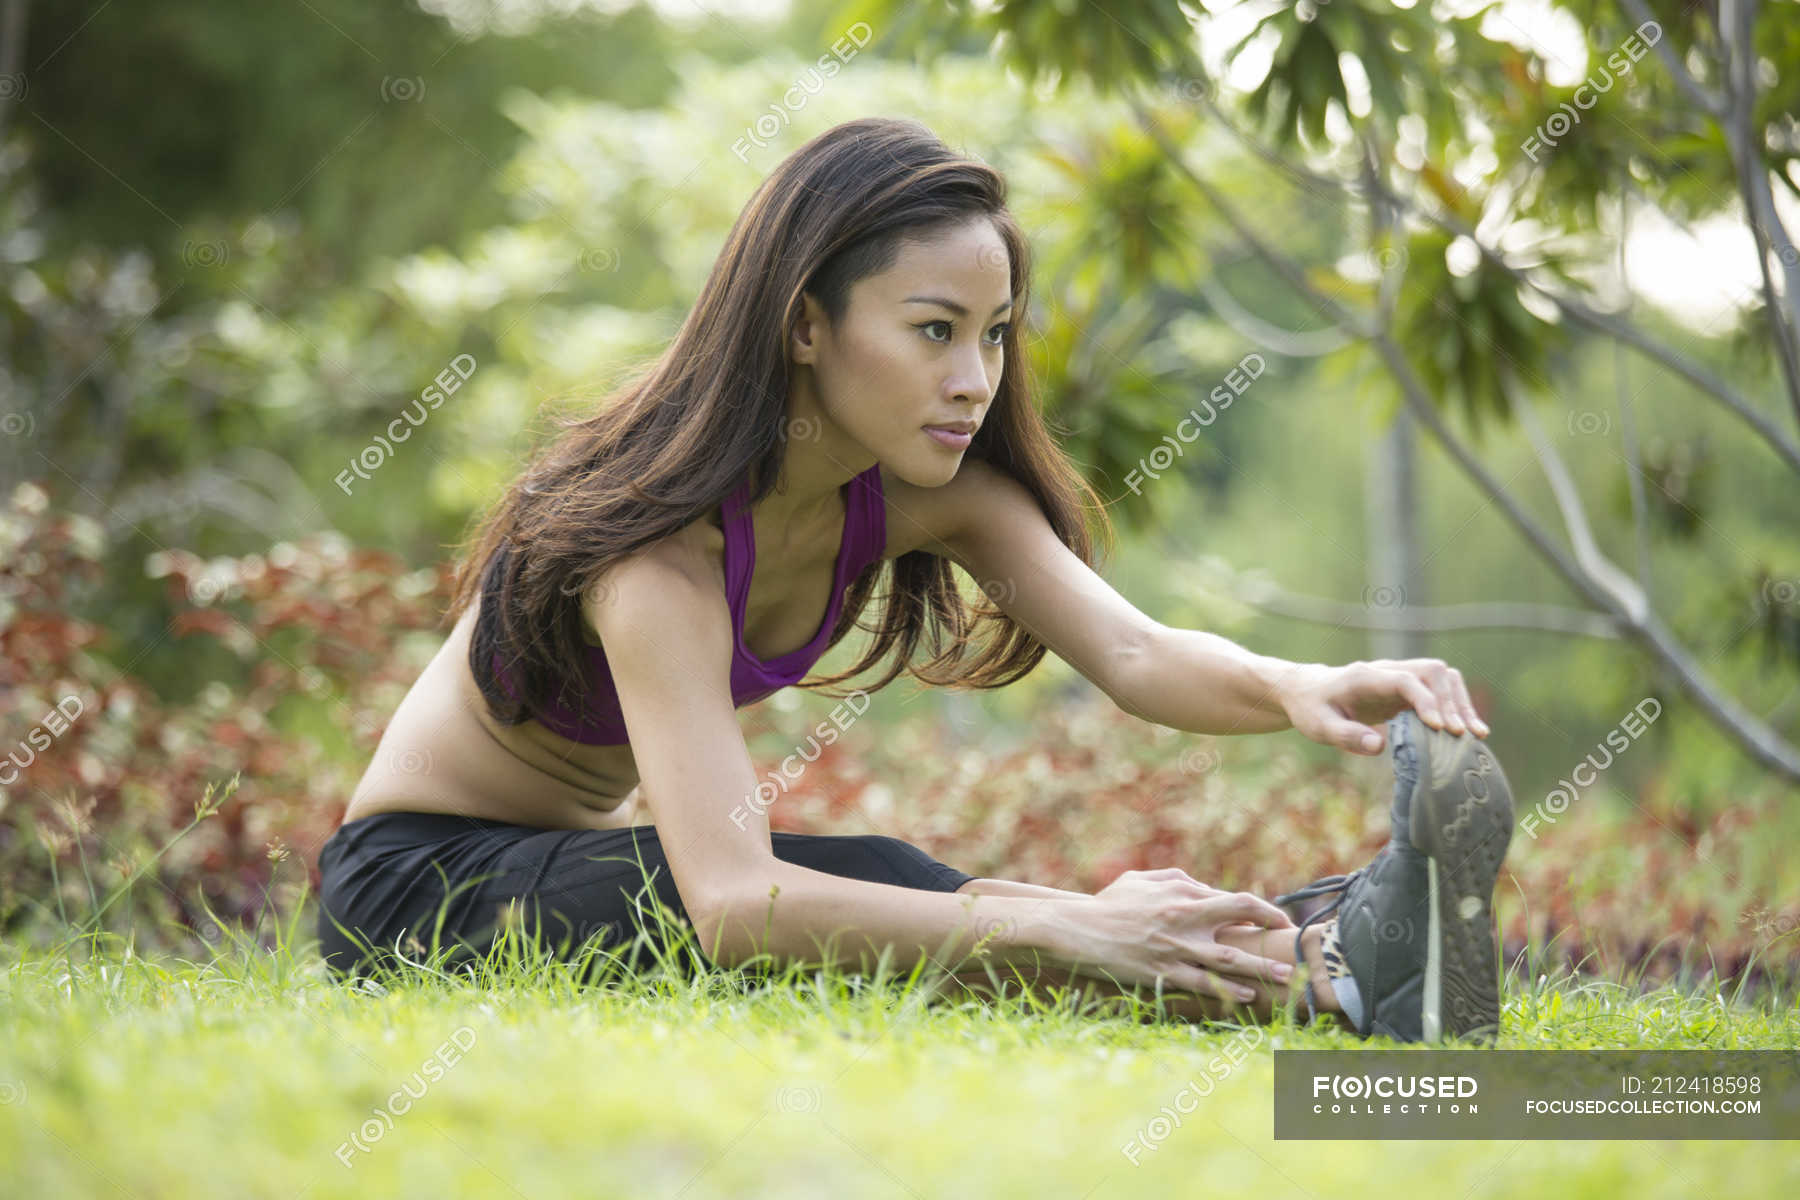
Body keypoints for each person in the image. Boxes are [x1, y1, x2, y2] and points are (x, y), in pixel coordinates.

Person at [314, 116, 1515, 1043]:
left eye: (995, 333)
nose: (976, 376)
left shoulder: (932, 496)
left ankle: (1336, 952)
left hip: (587, 864)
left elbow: (1137, 656)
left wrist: (1308, 681)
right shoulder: (653, 554)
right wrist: (1072, 924)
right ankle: (1316, 970)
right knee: (868, 887)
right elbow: (732, 905)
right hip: (422, 889)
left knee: (877, 890)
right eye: (934, 329)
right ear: (803, 327)